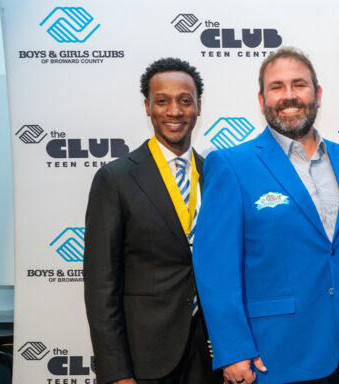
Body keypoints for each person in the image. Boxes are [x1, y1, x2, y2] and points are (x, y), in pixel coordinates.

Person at [192, 47, 339, 384]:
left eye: (299, 84)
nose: (289, 95)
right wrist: (233, 350)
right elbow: (215, 268)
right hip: (270, 358)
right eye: (277, 87)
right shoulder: (231, 165)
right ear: (262, 100)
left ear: (317, 94)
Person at [84, 57, 221, 384]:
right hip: (144, 358)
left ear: (198, 107)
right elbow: (101, 285)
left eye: (185, 100)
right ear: (147, 107)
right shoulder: (116, 179)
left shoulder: (216, 175)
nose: (174, 111)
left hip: (210, 355)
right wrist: (117, 373)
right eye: (162, 101)